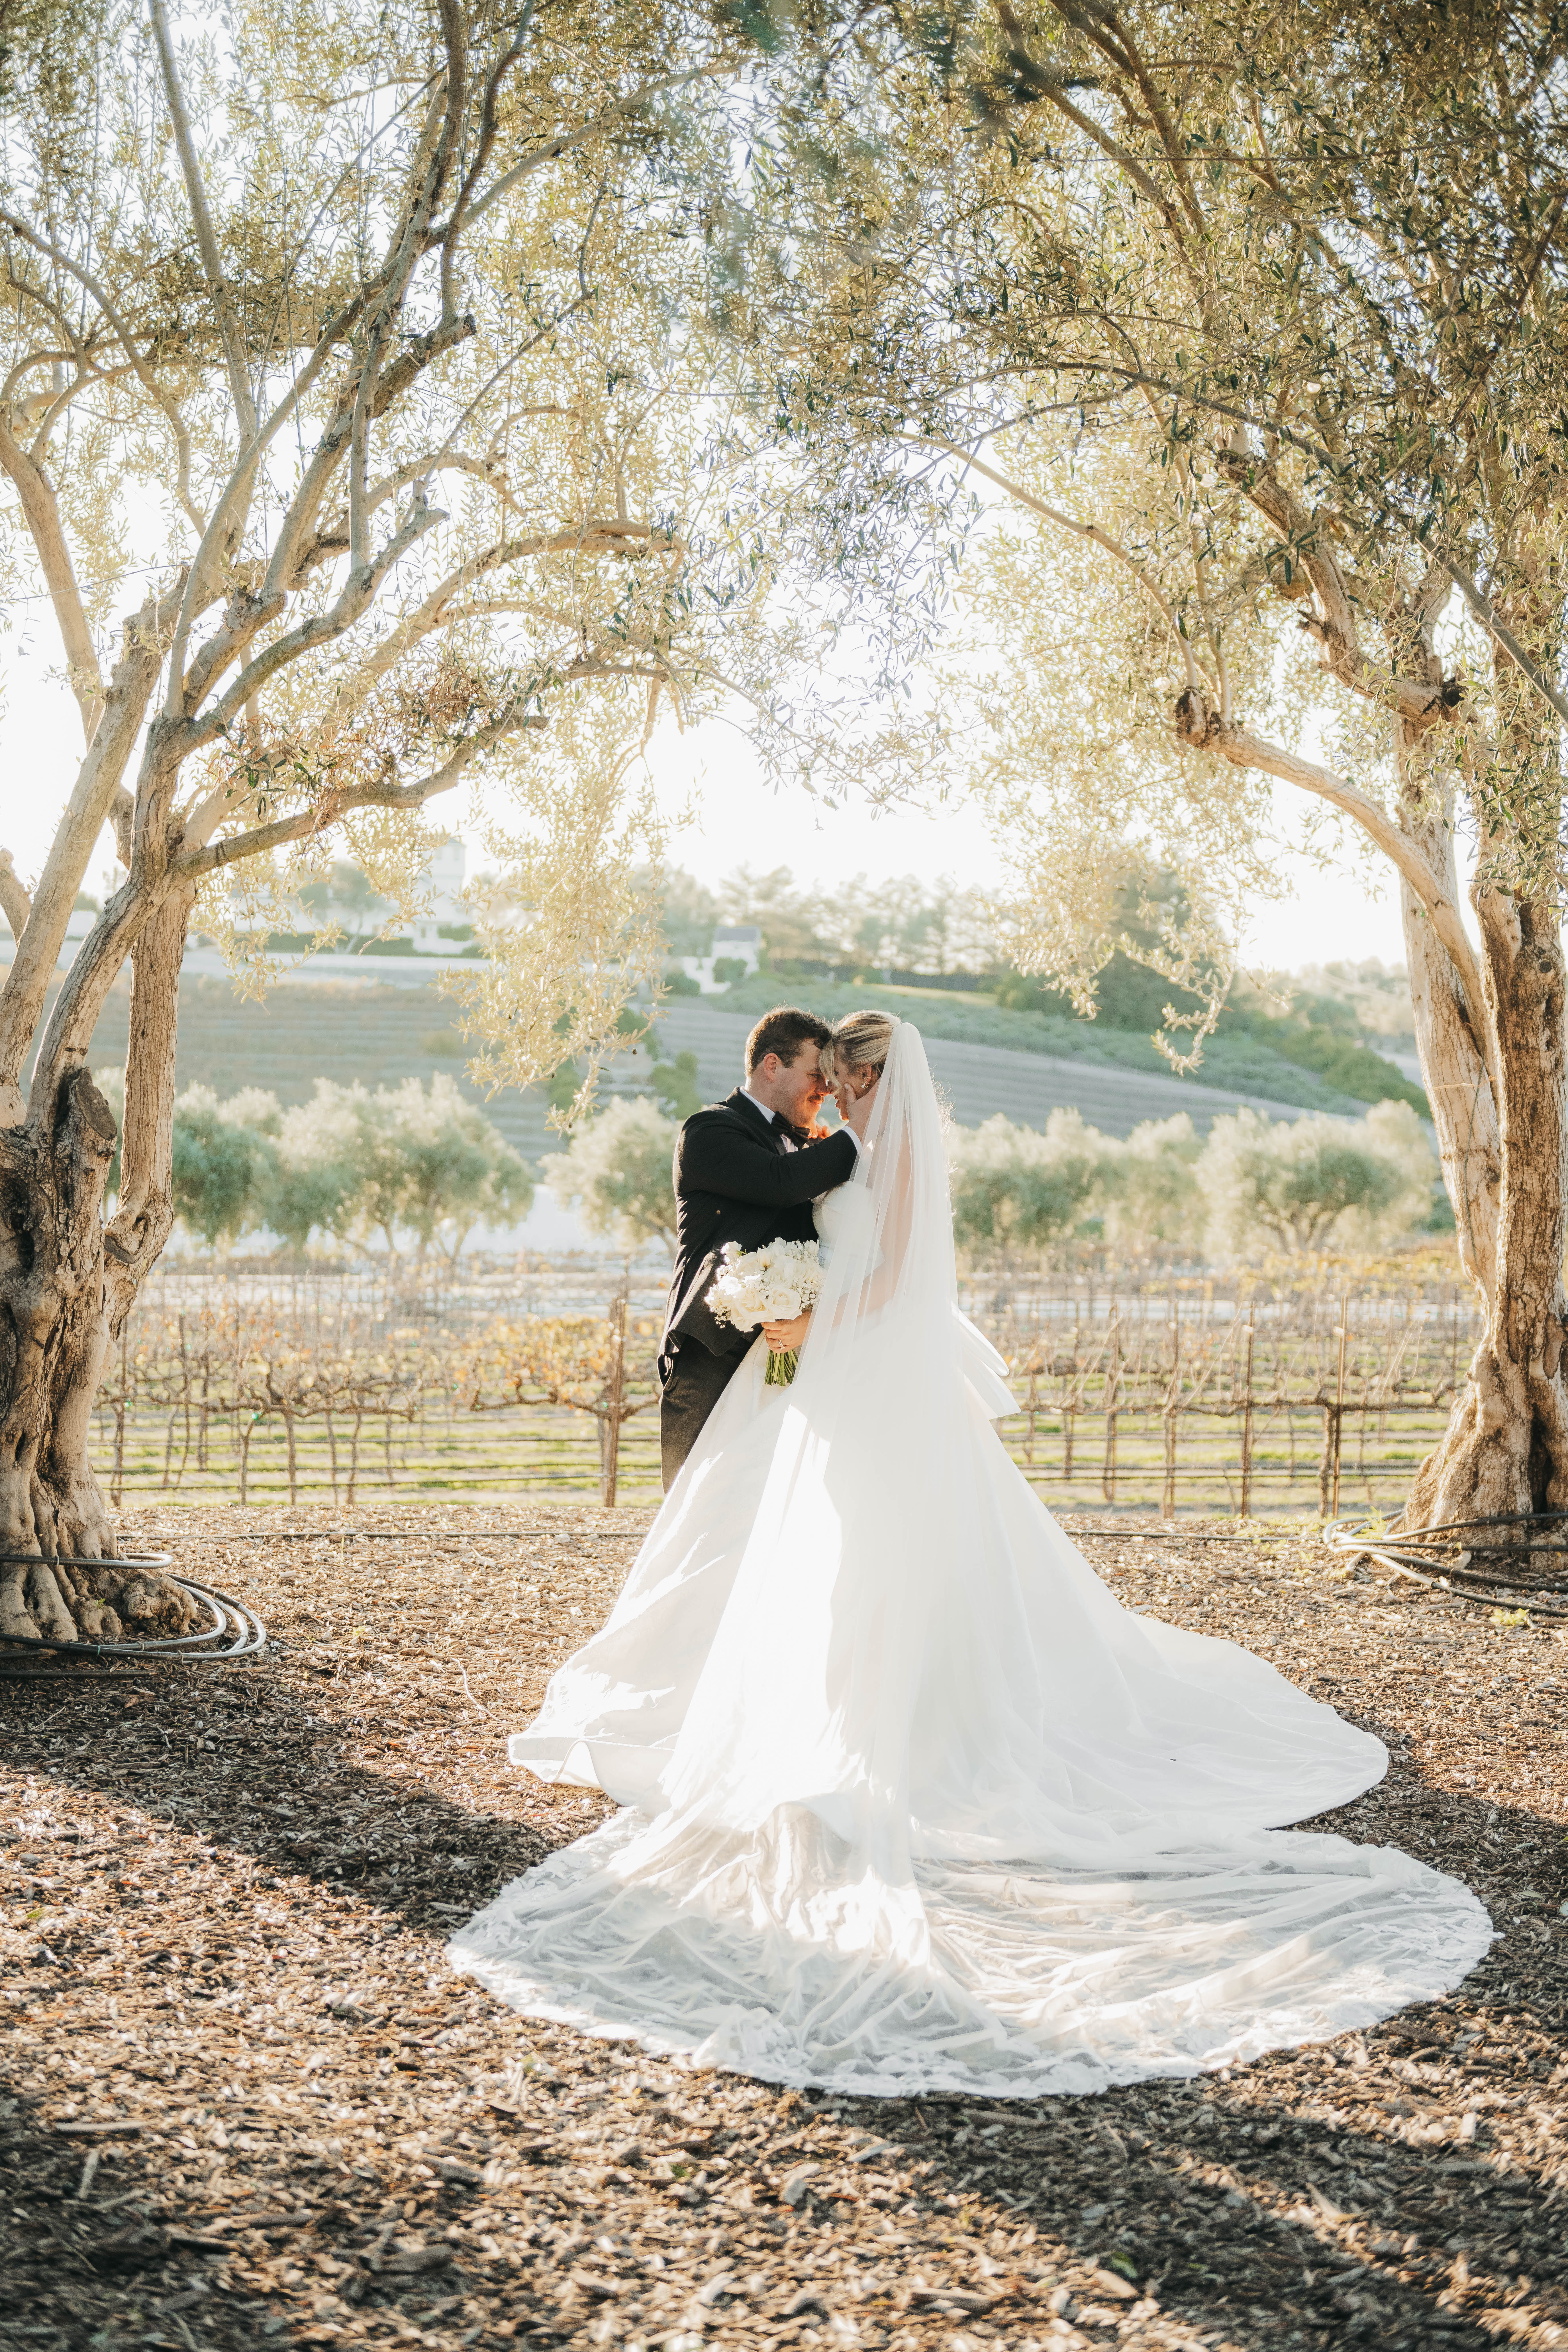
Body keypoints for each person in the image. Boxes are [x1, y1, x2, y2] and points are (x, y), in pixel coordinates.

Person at [451, 1015, 1491, 2099]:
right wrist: (795, 1308)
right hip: (819, 1374)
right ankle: (820, 1698)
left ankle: (898, 1723)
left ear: (859, 1074)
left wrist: (811, 1315)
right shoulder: (799, 1141)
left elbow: (892, 1272)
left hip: (857, 1367)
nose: (827, 1093)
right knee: (830, 1554)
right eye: (819, 1079)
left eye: (838, 1077)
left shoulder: (872, 1153)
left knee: (880, 1553)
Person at [656, 1006, 874, 1491]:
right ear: (772, 1066)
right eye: (818, 1075)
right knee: (692, 1497)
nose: (828, 1090)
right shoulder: (709, 1131)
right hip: (711, 1352)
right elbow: (780, 1184)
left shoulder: (812, 1144)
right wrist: (861, 1128)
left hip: (792, 1351)